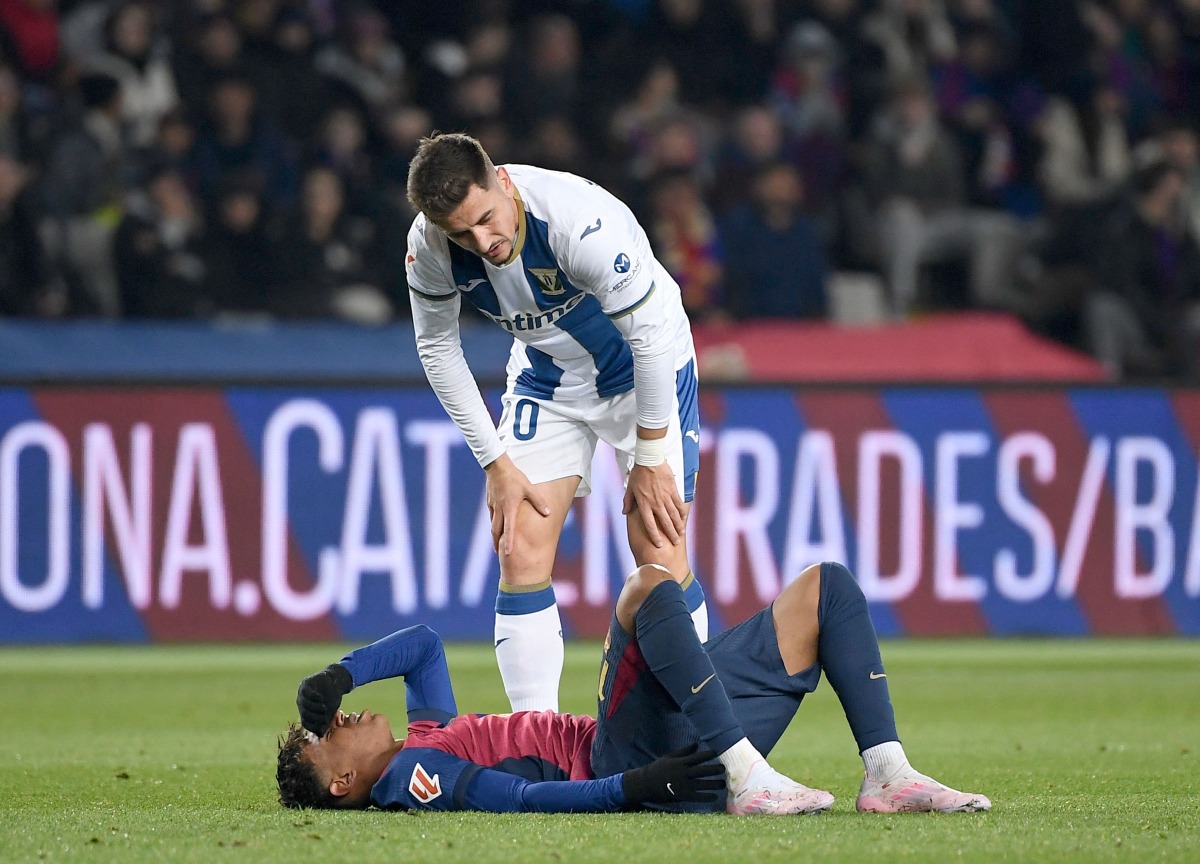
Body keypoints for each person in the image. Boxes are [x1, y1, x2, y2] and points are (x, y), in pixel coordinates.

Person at [276, 560, 991, 815]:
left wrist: (339, 672)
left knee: (825, 591)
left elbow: (423, 647)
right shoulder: (414, 775)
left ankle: (886, 773)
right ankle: (746, 777)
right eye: (332, 732)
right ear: (342, 782)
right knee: (649, 585)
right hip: (628, 759)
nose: (345, 715)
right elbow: (520, 798)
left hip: (681, 752)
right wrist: (634, 786)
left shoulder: (421, 737)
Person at [403, 132, 709, 713]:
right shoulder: (430, 247)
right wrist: (494, 462)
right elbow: (438, 349)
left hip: (640, 364)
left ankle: (704, 740)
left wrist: (648, 456)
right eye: (460, 233)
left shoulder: (577, 224)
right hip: (548, 373)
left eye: (486, 220)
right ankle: (533, 736)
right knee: (517, 542)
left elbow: (648, 340)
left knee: (659, 549)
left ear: (503, 181)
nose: (482, 242)